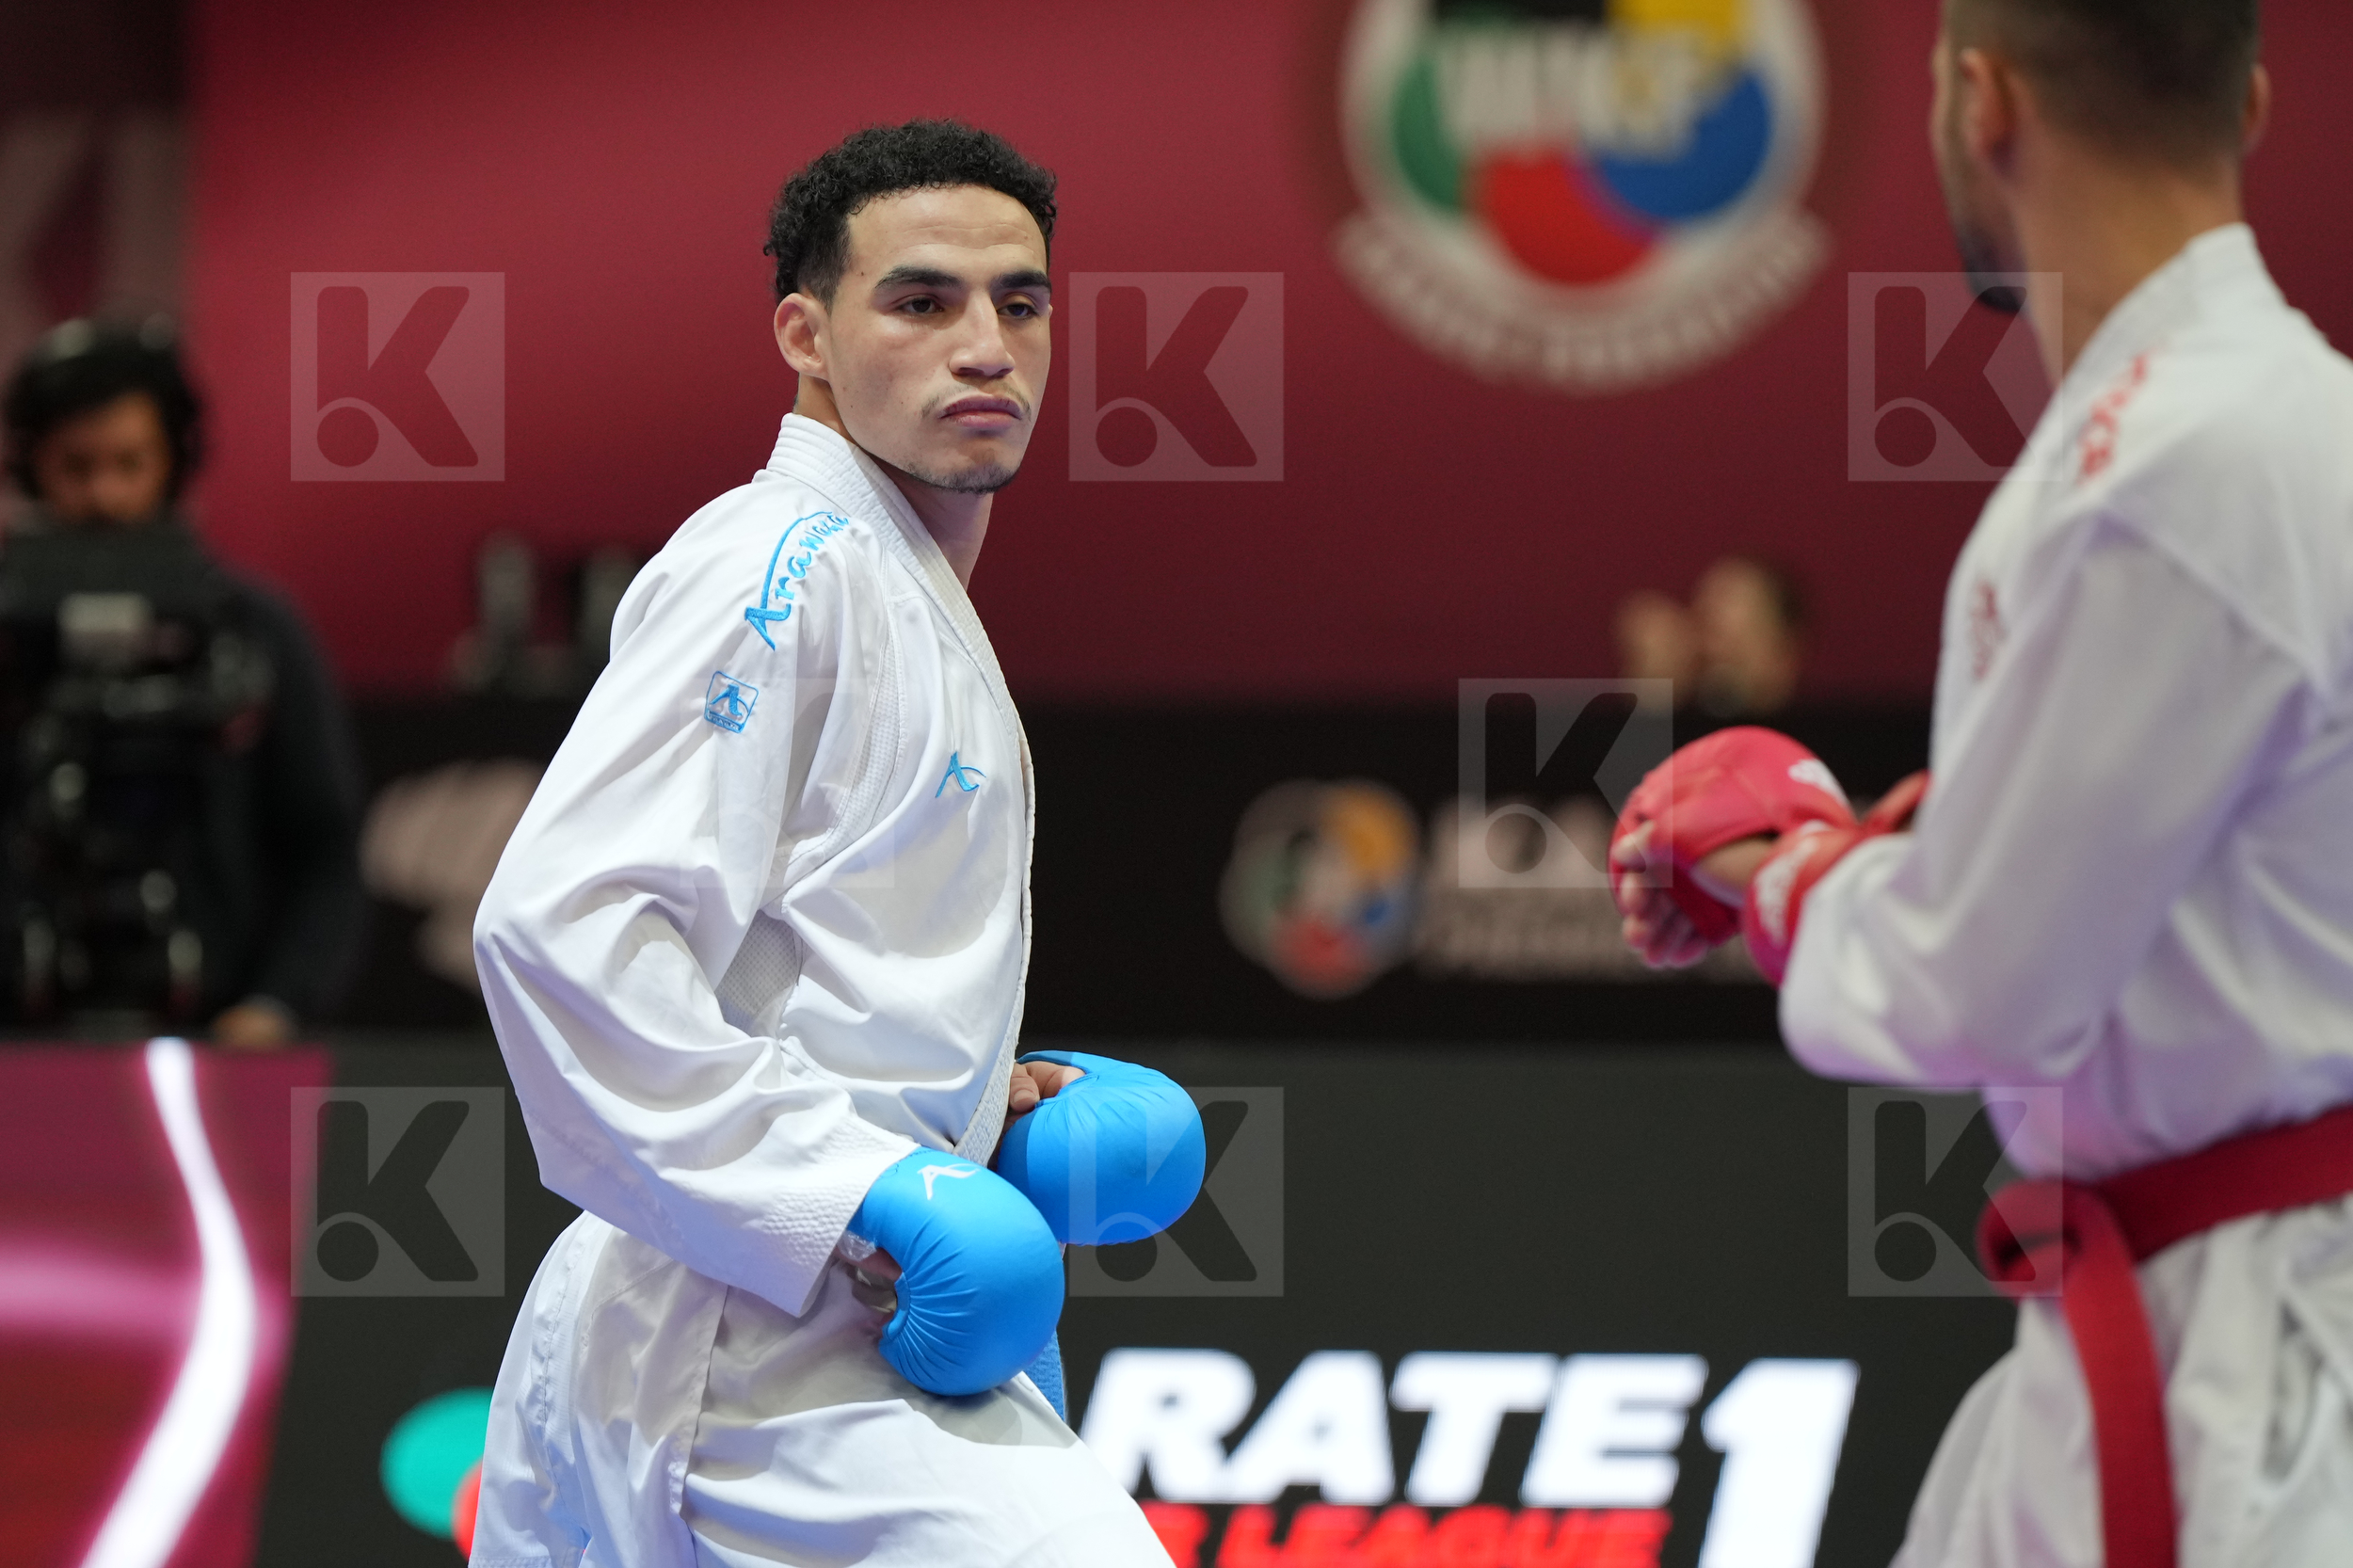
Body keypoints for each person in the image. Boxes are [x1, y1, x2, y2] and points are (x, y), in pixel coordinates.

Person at [1610, 2, 2353, 1564]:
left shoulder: (2173, 465)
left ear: (1983, 101)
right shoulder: (2275, 426)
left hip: (2255, 1376)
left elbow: (1984, 984)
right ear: (2253, 103)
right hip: (2198, 1314)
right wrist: (1874, 850)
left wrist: (1776, 861)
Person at [469, 122, 1176, 1565]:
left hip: (695, 1317)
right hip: (755, 1340)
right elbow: (558, 926)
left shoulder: (897, 577)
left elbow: (801, 954)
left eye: (1021, 302)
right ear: (807, 333)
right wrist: (859, 1178)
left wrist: (970, 1102)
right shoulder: (780, 561)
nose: (986, 343)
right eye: (921, 301)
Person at [0, 319, 364, 1047]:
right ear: (34, 467)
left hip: (216, 1045)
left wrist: (275, 1005)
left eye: (129, 462)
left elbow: (326, 849)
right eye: (77, 466)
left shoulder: (256, 633)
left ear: (173, 461)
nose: (104, 495)